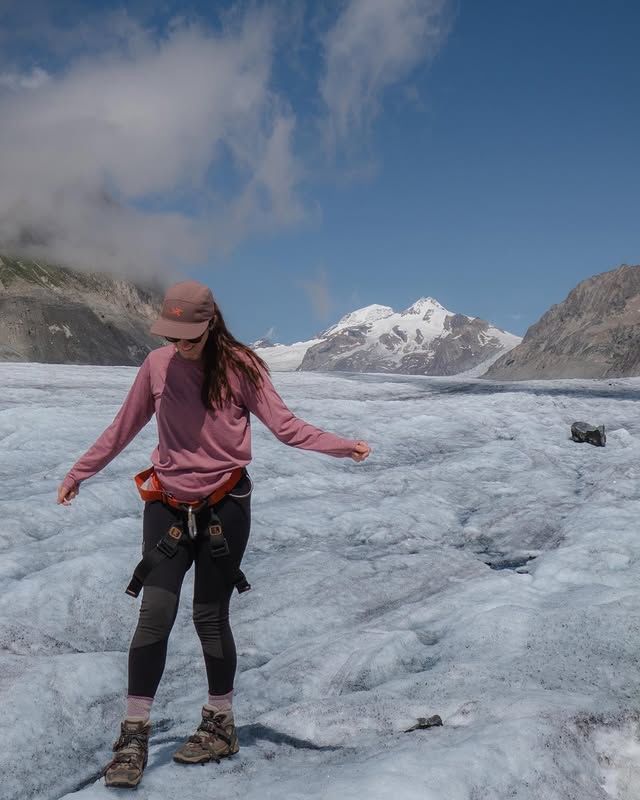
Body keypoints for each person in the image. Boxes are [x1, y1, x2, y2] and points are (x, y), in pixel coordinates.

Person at [57, 280, 371, 789]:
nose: (179, 345)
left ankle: (220, 724)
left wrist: (341, 446)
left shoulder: (242, 368)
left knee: (209, 615)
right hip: (166, 506)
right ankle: (133, 735)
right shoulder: (156, 366)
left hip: (225, 507)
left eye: (189, 337)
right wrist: (79, 472)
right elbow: (123, 427)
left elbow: (285, 426)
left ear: (211, 324)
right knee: (155, 613)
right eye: (172, 336)